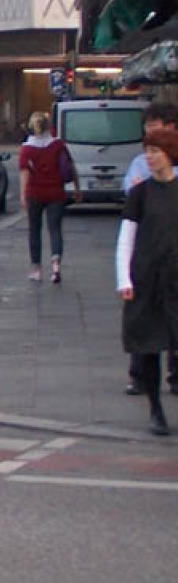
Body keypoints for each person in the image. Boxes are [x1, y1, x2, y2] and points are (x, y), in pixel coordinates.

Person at [115, 128, 178, 435]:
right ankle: (156, 410)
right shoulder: (140, 193)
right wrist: (123, 278)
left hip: (175, 278)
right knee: (149, 346)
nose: (150, 158)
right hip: (147, 278)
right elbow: (126, 238)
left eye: (156, 151)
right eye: (148, 151)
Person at [19, 110, 80, 283]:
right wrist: (77, 188)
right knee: (55, 229)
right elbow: (70, 166)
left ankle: (36, 269)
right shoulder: (58, 145)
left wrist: (23, 195)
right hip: (56, 193)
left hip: (35, 193)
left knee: (34, 230)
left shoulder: (27, 148)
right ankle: (56, 266)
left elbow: (25, 173)